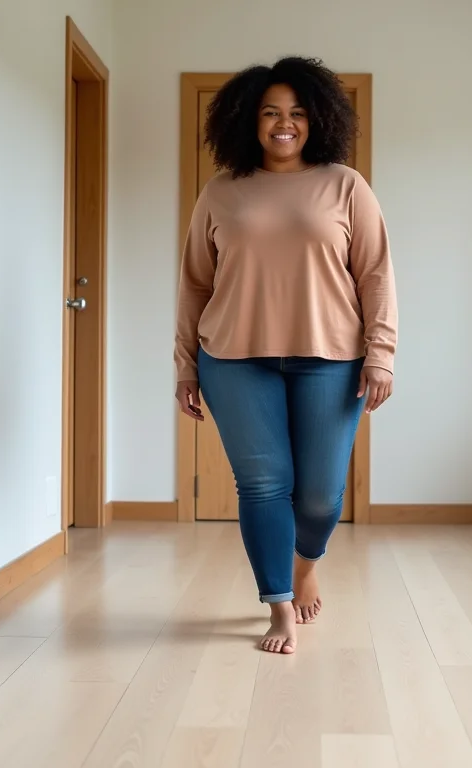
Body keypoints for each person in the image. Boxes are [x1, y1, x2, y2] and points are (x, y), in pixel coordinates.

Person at [174, 56, 398, 655]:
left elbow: (375, 274)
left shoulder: (346, 184)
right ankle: (278, 609)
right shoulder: (221, 191)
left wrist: (381, 354)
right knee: (264, 485)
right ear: (249, 119)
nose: (284, 124)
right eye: (271, 112)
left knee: (322, 494)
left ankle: (306, 564)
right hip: (234, 358)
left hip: (331, 357)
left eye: (297, 113)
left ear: (316, 120)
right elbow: (195, 282)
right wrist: (185, 365)